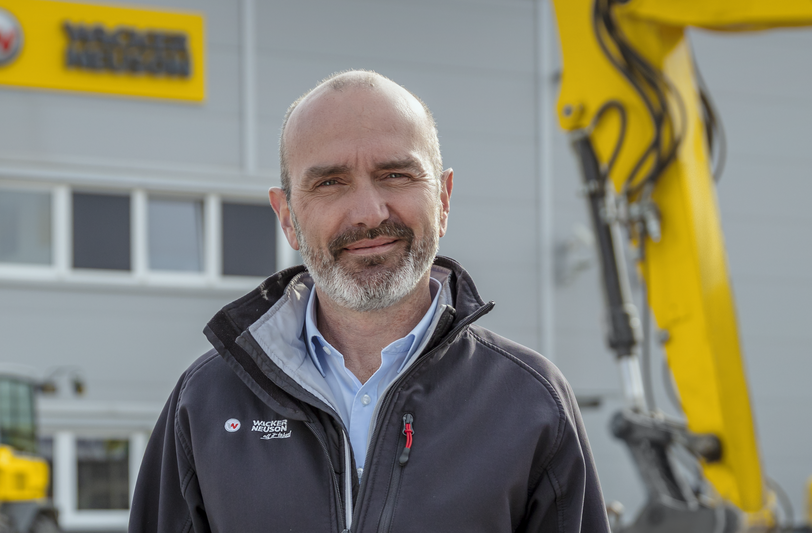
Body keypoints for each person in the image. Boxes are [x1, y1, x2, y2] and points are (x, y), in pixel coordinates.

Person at [129, 70, 608, 532]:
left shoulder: (529, 402)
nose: (368, 213)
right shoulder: (206, 401)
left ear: (443, 199)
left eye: (396, 175)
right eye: (330, 183)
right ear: (288, 216)